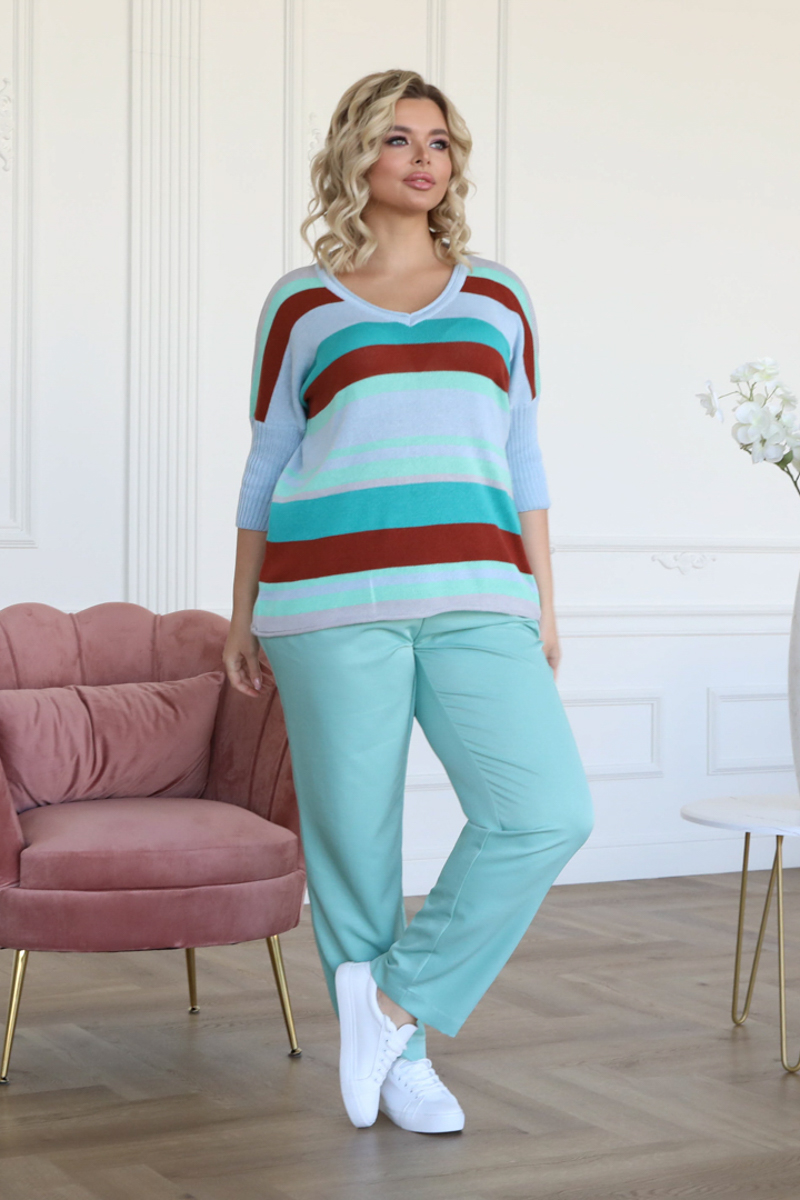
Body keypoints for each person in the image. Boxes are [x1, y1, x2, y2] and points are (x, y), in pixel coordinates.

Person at [223, 68, 594, 1135]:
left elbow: (523, 457)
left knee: (546, 811)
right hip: (324, 603)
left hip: (479, 592)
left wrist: (544, 603)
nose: (422, 158)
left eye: (437, 141)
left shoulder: (498, 297)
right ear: (357, 156)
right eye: (396, 139)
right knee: (356, 844)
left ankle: (390, 1006)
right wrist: (240, 614)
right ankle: (402, 1067)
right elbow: (267, 466)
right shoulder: (300, 303)